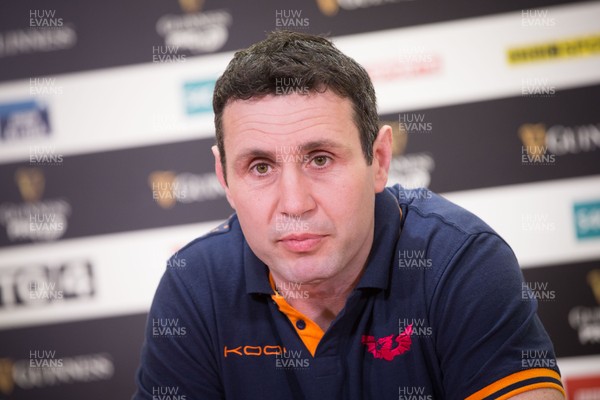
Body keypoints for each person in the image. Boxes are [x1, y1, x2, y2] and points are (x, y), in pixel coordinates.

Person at [133, 31, 564, 399]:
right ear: (224, 179)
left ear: (378, 160)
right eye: (260, 167)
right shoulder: (194, 285)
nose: (295, 203)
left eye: (320, 159)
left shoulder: (461, 263)